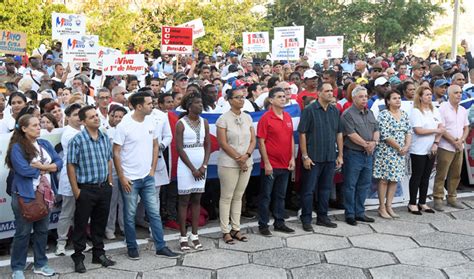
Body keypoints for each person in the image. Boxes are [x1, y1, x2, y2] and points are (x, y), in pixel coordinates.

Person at [113, 92, 178, 259]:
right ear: (139, 106)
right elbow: (116, 152)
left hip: (148, 176)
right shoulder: (124, 125)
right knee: (130, 215)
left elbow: (156, 145)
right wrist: (122, 177)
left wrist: (152, 169)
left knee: (154, 213)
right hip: (130, 179)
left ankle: (161, 246)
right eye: (149, 103)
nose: (153, 106)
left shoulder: (151, 121)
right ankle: (132, 247)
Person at [6, 114, 62, 278]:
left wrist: (43, 167)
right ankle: (17, 268)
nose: (39, 127)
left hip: (46, 195)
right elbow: (23, 169)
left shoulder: (44, 143)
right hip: (26, 195)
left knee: (42, 231)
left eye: (39, 125)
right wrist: (47, 168)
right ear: (24, 128)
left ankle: (41, 264)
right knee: (23, 233)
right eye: (35, 125)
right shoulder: (17, 147)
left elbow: (59, 162)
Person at [67, 106, 115, 273]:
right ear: (83, 121)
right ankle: (78, 257)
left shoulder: (104, 137)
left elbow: (109, 159)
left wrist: (109, 181)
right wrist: (76, 191)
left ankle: (98, 254)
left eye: (96, 115)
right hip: (85, 189)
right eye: (91, 117)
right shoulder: (77, 140)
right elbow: (71, 165)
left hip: (103, 188)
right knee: (81, 225)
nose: (96, 118)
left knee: (99, 223)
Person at [298, 82, 343, 231]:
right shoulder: (309, 110)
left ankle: (323, 217)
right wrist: (305, 156)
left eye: (332, 91)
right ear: (319, 93)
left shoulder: (334, 110)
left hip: (330, 156)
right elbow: (302, 133)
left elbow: (339, 133)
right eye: (327, 91)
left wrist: (340, 155)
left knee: (325, 189)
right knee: (309, 190)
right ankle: (306, 219)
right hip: (313, 157)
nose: (331, 93)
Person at [216, 86, 256, 243]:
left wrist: (246, 156)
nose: (241, 100)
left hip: (246, 161)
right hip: (229, 163)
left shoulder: (247, 117)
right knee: (226, 196)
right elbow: (223, 143)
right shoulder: (223, 119)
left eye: (242, 97)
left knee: (239, 196)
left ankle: (236, 228)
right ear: (229, 100)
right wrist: (239, 158)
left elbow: (253, 140)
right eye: (237, 97)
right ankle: (225, 230)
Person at [257, 87, 296, 236]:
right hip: (271, 164)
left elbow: (291, 138)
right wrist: (266, 163)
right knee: (266, 195)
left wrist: (292, 157)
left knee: (281, 195)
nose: (283, 99)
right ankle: (263, 225)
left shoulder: (287, 117)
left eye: (284, 96)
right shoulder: (266, 118)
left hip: (285, 164)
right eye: (279, 96)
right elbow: (261, 142)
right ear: (271, 100)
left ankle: (279, 222)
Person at [175, 92, 211, 250]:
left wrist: (203, 166)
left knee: (197, 200)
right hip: (185, 167)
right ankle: (183, 236)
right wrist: (192, 168)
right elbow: (179, 148)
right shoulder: (181, 123)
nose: (201, 105)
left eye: (201, 103)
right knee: (184, 201)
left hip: (201, 168)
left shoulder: (205, 122)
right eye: (197, 103)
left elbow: (208, 145)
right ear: (189, 106)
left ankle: (195, 235)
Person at [341, 86, 379, 226]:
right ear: (354, 98)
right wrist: (366, 144)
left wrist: (374, 142)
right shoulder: (348, 114)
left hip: (368, 154)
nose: (365, 99)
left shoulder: (370, 113)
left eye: (366, 96)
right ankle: (350, 214)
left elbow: (376, 129)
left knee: (364, 184)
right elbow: (351, 134)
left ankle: (360, 212)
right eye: (361, 96)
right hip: (353, 153)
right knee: (350, 185)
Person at [373, 91, 412, 219]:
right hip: (387, 151)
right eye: (394, 98)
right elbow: (385, 135)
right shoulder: (384, 114)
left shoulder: (404, 114)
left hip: (400, 152)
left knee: (395, 179)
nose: (398, 100)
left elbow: (408, 131)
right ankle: (382, 207)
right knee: (384, 179)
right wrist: (399, 147)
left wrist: (406, 146)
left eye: (399, 98)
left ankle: (389, 205)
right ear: (388, 101)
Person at [408, 87, 445, 215]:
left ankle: (422, 202)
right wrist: (435, 131)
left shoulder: (434, 110)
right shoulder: (416, 111)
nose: (429, 97)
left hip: (431, 148)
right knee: (417, 176)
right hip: (418, 149)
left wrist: (436, 142)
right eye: (426, 95)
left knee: (426, 176)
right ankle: (412, 203)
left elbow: (441, 126)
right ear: (420, 96)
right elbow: (418, 130)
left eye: (430, 94)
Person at [433, 85, 469, 211]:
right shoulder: (443, 108)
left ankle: (452, 197)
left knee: (456, 173)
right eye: (456, 93)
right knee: (441, 173)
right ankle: (438, 198)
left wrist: (461, 140)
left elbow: (466, 127)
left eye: (460, 92)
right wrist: (454, 141)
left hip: (459, 146)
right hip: (446, 146)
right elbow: (441, 128)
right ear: (449, 94)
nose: (459, 95)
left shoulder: (463, 109)